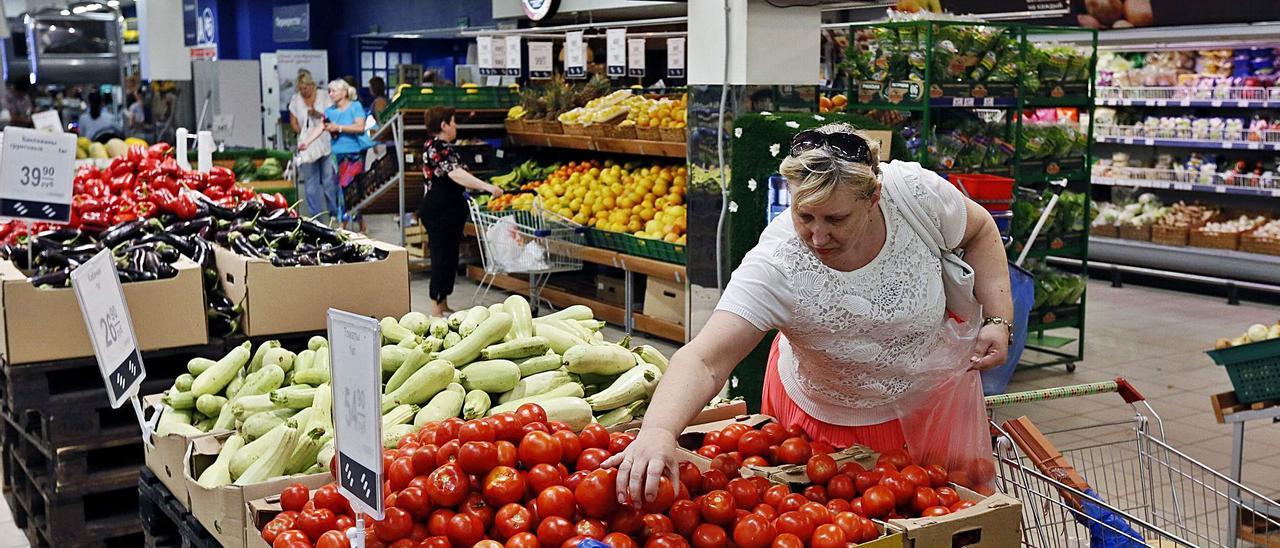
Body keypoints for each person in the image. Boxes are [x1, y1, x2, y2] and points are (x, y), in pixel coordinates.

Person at [606, 124, 1014, 504]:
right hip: (824, 421)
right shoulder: (777, 263)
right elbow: (705, 359)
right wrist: (658, 431)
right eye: (805, 216)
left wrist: (998, 318)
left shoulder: (913, 195)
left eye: (836, 218)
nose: (818, 237)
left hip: (931, 404)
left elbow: (979, 231)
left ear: (873, 197)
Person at [419, 106, 504, 317]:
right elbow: (456, 175)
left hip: (448, 208)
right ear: (444, 125)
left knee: (450, 256)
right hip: (439, 210)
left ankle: (444, 302)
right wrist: (487, 187)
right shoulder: (437, 147)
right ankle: (435, 309)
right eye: (454, 121)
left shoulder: (443, 146)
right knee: (441, 256)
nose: (456, 125)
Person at [323, 79, 368, 232]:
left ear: (343, 92)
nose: (331, 94)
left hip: (354, 154)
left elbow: (360, 126)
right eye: (329, 91)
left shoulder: (356, 106)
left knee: (349, 187)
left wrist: (339, 128)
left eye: (333, 91)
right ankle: (359, 224)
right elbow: (320, 127)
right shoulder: (329, 111)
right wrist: (306, 142)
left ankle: (344, 221)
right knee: (342, 188)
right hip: (337, 155)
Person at [291, 71, 337, 222]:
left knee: (328, 181)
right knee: (311, 185)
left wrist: (317, 114)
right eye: (301, 89)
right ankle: (316, 218)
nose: (303, 92)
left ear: (312, 85)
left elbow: (330, 118)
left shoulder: (325, 96)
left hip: (325, 144)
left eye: (305, 88)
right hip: (307, 147)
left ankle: (334, 213)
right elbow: (294, 123)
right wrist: (303, 132)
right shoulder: (295, 100)